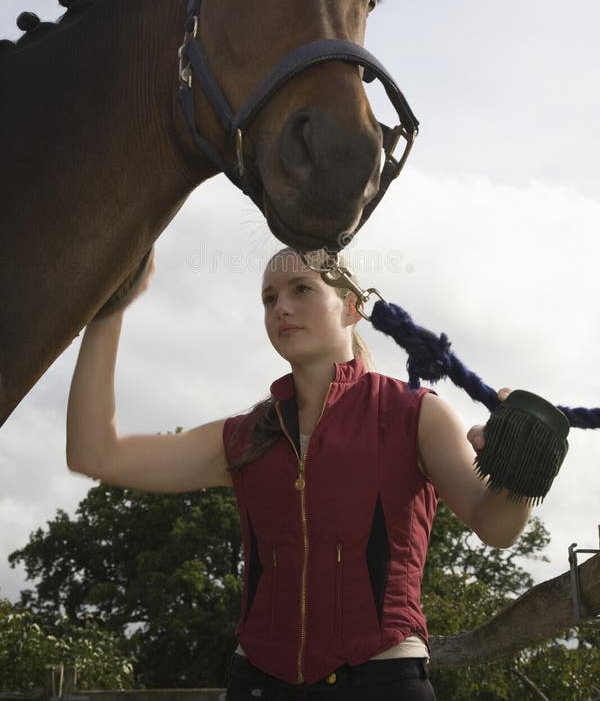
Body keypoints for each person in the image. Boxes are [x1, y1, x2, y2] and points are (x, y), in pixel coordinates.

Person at [67, 248, 530, 699]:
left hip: (383, 680)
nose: (281, 308)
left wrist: (523, 466)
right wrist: (109, 308)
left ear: (352, 307)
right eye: (269, 298)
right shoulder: (243, 437)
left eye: (301, 289)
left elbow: (496, 525)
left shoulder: (416, 414)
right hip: (258, 683)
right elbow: (95, 454)